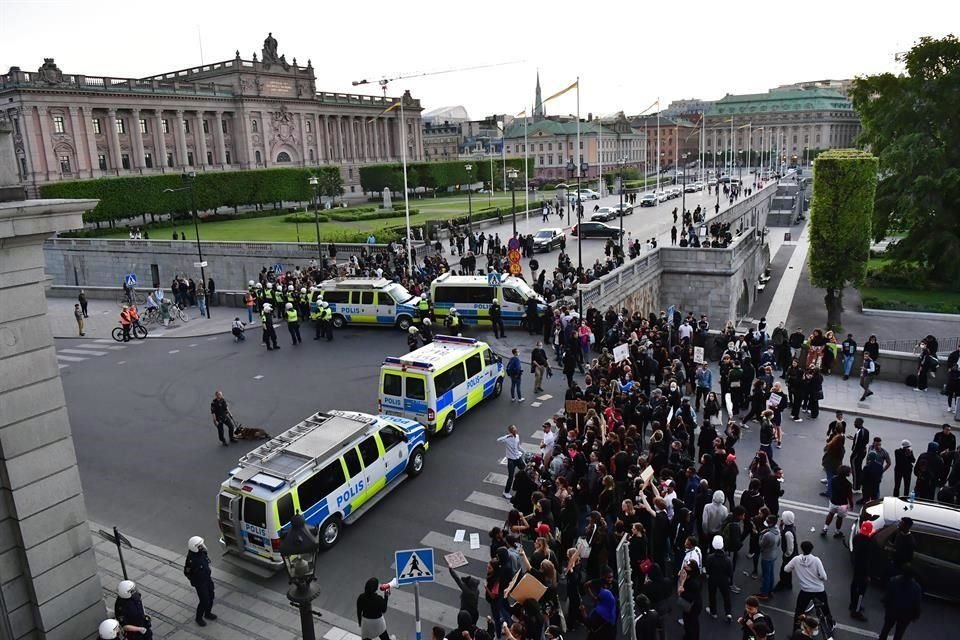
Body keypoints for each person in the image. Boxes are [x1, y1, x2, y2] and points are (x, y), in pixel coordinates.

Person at [784, 540, 834, 631]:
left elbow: (786, 569)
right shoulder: (816, 560)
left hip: (805, 591)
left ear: (801, 549)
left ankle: (796, 630)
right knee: (825, 608)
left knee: (799, 611)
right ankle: (831, 624)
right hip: (819, 590)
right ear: (811, 549)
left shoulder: (796, 559)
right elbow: (824, 577)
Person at [878, 564, 922, 640]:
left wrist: (885, 604)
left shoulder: (894, 581)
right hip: (905, 614)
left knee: (886, 629)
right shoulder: (916, 587)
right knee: (899, 634)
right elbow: (916, 603)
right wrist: (916, 615)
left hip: (892, 610)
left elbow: (888, 595)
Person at [183, 536, 216, 626]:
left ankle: (208, 613)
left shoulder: (202, 553)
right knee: (204, 600)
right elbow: (187, 572)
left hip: (207, 579)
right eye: (200, 546)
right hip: (200, 583)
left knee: (211, 596)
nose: (202, 547)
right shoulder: (191, 559)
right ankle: (199, 618)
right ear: (195, 547)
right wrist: (195, 580)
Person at [704, 535, 733, 622]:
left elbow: (707, 569)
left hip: (713, 579)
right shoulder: (728, 559)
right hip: (724, 580)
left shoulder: (710, 558)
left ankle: (713, 612)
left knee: (712, 595)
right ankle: (728, 613)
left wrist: (708, 575)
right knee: (726, 596)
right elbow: (730, 572)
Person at [849, 521, 873, 622]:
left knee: (854, 585)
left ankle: (852, 604)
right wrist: (867, 575)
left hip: (856, 566)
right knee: (861, 591)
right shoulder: (867, 542)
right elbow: (867, 561)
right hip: (862, 569)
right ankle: (856, 610)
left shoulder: (856, 538)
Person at [822, 465, 853, 539]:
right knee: (840, 518)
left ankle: (825, 529)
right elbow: (849, 496)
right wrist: (851, 504)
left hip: (833, 501)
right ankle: (837, 532)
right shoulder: (848, 484)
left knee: (831, 514)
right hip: (842, 504)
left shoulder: (833, 479)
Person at [677, 559, 703, 639]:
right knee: (689, 621)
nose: (685, 567)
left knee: (691, 623)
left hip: (692, 605)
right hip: (692, 603)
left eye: (687, 567)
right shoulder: (696, 576)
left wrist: (681, 585)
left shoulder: (693, 583)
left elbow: (684, 593)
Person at [498, 425, 523, 498]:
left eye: (516, 428)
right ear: (511, 431)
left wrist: (525, 451)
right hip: (511, 460)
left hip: (518, 458)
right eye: (514, 429)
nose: (516, 430)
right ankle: (506, 492)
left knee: (525, 471)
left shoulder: (517, 436)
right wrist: (507, 436)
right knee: (511, 477)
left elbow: (518, 446)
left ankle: (523, 485)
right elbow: (498, 440)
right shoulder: (507, 439)